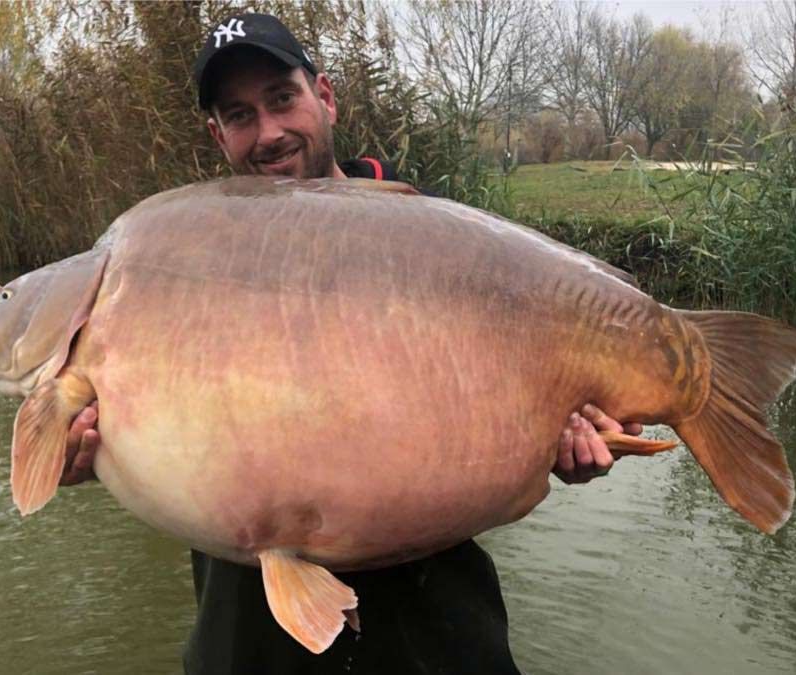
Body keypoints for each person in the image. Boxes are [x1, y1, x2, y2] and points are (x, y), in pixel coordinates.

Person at [60, 13, 644, 674]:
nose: (269, 132)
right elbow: (141, 431)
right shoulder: (176, 258)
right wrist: (89, 447)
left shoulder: (439, 241)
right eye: (240, 115)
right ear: (218, 135)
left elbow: (536, 401)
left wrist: (573, 440)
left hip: (433, 640)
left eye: (282, 98)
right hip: (248, 640)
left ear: (325, 96)